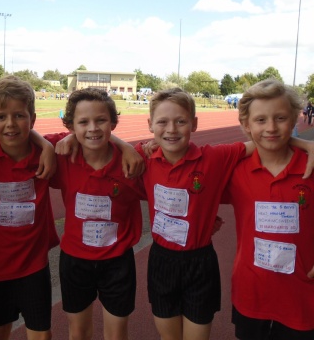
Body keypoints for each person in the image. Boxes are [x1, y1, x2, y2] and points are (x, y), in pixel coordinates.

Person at [131, 87, 314, 340]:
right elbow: (109, 152)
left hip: (205, 263)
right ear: (151, 125)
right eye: (162, 122)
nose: (171, 129)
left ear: (194, 124)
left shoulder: (215, 158)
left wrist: (302, 142)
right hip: (170, 263)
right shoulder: (145, 158)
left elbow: (266, 138)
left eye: (181, 121)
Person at [47, 88, 146, 340]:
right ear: (71, 126)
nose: (93, 128)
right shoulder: (63, 156)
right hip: (75, 260)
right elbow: (25, 139)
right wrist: (69, 137)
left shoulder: (131, 163)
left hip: (117, 261)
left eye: (101, 120)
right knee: (78, 332)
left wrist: (125, 146)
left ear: (113, 122)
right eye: (83, 122)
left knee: (116, 334)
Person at [0, 76, 59, 340]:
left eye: (19, 115)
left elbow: (89, 135)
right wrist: (44, 142)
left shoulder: (47, 152)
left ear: (32, 118)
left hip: (33, 266)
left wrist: (47, 145)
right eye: (1, 117)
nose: (10, 124)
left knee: (41, 333)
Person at [223, 79, 314, 340]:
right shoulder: (234, 171)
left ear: (294, 118)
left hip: (302, 295)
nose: (271, 127)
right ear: (246, 125)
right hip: (251, 292)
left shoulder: (310, 167)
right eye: (260, 120)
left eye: (280, 118)